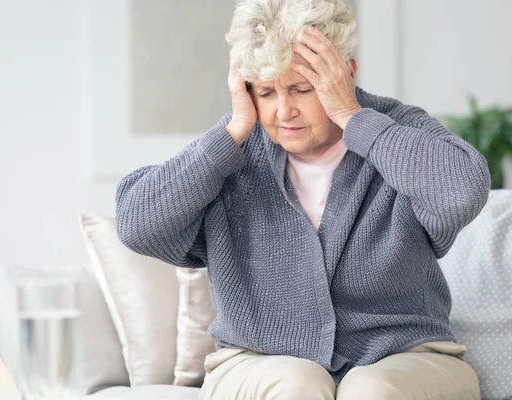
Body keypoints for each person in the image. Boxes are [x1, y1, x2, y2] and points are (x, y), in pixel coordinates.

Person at [115, 0, 490, 398]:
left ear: (345, 73)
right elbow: (138, 226)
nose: (284, 110)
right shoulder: (232, 149)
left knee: (371, 390)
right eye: (266, 92)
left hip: (407, 357)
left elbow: (462, 191)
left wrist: (352, 115)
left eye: (301, 88)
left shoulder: (395, 129)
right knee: (297, 385)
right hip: (256, 361)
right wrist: (234, 132)